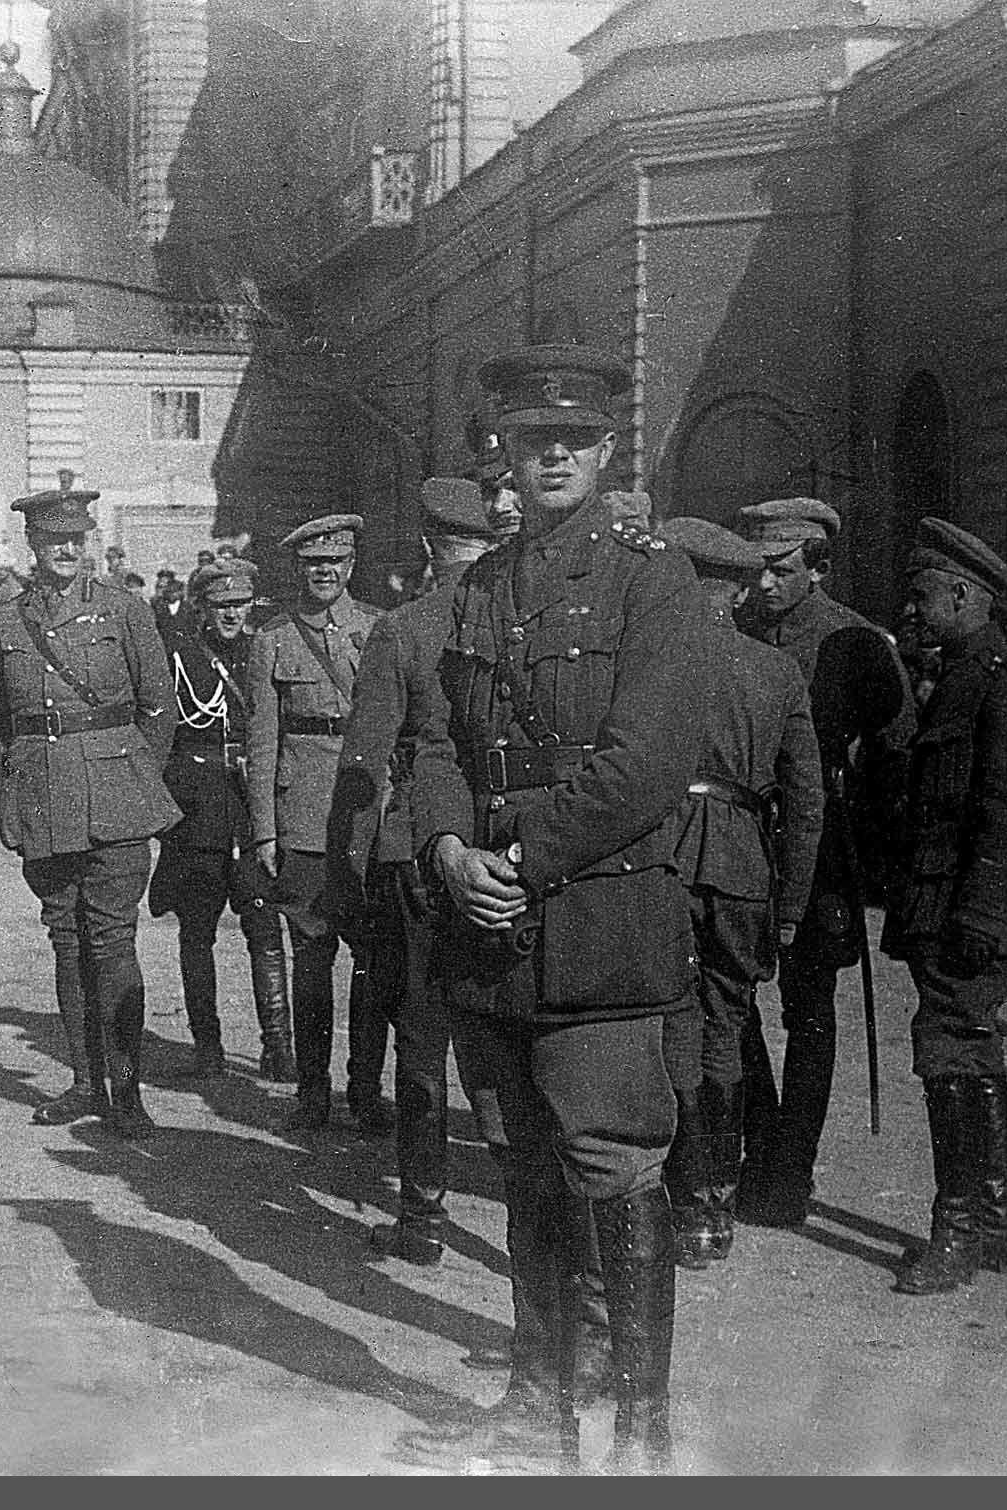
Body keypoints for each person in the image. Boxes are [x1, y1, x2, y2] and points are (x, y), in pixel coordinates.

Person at [410, 344, 705, 1471]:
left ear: (603, 450)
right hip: (487, 922)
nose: (549, 461)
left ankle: (639, 1426)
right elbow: (432, 740)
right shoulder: (479, 588)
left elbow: (643, 765)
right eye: (531, 442)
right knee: (523, 1161)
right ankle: (538, 1401)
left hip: (595, 924)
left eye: (570, 443)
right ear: (505, 452)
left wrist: (518, 857)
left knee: (613, 1161)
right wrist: (444, 845)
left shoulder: (651, 581)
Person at [332, 474, 520, 1263]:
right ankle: (531, 1225)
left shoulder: (402, 630)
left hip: (416, 853)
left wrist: (350, 868)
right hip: (505, 853)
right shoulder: (519, 627)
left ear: (428, 548)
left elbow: (366, 763)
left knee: (421, 1041)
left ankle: (424, 1219)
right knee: (503, 1046)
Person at [734, 497, 915, 1227]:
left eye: (781, 570)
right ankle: (761, 1137)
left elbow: (896, 750)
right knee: (730, 1001)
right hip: (744, 839)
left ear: (818, 566)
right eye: (759, 570)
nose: (765, 584)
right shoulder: (740, 631)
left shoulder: (857, 642)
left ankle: (790, 1171)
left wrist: (864, 843)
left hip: (818, 851)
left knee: (809, 1015)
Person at [882, 518, 1007, 1294]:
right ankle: (997, 1221)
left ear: (962, 593)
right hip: (947, 909)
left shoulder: (1002, 683)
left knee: (949, 1051)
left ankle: (955, 1234)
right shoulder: (959, 675)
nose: (911, 612)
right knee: (972, 1051)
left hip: (973, 914)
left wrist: (979, 921)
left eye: (922, 597)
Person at [0, 475, 181, 1138]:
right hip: (45, 795)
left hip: (115, 795)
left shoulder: (125, 609)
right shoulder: (5, 619)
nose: (66, 549)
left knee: (114, 942)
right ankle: (82, 1082)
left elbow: (161, 705)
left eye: (75, 538)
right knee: (66, 941)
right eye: (52, 539)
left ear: (88, 540)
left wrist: (132, 772)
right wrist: (26, 779)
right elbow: (7, 714)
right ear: (31, 543)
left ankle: (126, 1090)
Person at [654, 516, 824, 1270]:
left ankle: (681, 1194)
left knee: (672, 1025)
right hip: (744, 870)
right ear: (735, 585)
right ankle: (716, 1201)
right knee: (726, 1028)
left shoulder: (648, 661)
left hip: (660, 857)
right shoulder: (776, 672)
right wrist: (789, 906)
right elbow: (807, 801)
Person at [246, 512, 390, 1132]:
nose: (324, 573)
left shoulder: (381, 630)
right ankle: (313, 1087)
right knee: (310, 960)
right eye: (312, 564)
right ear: (299, 570)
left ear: (351, 566)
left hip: (365, 815)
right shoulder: (272, 640)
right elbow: (261, 739)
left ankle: (364, 1087)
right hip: (301, 814)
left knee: (372, 960)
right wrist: (263, 830)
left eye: (334, 563)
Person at [148, 555, 292, 1080]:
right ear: (203, 608)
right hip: (200, 808)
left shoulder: (264, 651)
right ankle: (206, 1043)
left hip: (252, 806)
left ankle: (277, 1044)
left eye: (240, 604)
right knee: (197, 929)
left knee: (263, 925)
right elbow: (164, 735)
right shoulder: (181, 656)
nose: (232, 615)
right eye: (221, 606)